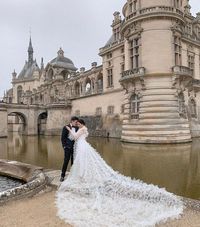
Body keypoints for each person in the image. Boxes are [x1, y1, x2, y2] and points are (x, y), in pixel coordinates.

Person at [56, 119, 184, 226]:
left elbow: (75, 137)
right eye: (75, 123)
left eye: (78, 123)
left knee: (83, 162)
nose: (76, 124)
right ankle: (81, 175)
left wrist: (69, 129)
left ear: (81, 124)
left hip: (82, 147)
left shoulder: (81, 129)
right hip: (82, 147)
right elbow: (75, 137)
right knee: (82, 163)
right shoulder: (84, 129)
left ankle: (82, 176)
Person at [60, 116, 79, 182]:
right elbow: (63, 138)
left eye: (77, 122)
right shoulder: (66, 127)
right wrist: (64, 146)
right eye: (76, 122)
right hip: (67, 147)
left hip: (74, 147)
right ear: (72, 121)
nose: (76, 123)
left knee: (73, 162)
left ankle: (73, 175)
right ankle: (62, 175)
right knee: (66, 161)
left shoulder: (77, 128)